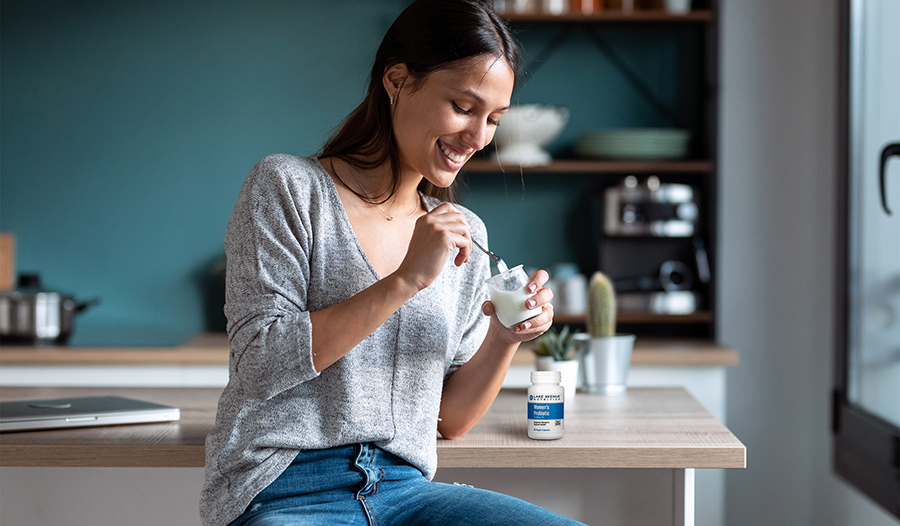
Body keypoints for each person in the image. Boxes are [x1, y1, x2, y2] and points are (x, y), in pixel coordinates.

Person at [201, 1, 585, 525]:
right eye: (464, 107)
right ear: (398, 80)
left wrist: (504, 339)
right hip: (286, 488)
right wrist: (405, 279)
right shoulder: (288, 188)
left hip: (405, 492)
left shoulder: (464, 233)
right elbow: (258, 364)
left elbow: (449, 421)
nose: (478, 139)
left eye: (494, 120)